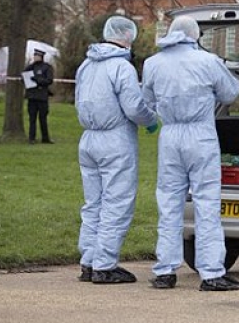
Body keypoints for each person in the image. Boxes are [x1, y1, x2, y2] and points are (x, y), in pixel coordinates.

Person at [142, 16, 239, 292]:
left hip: (170, 135)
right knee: (206, 202)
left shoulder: (153, 63)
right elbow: (231, 93)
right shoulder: (208, 61)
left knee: (168, 203)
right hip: (200, 134)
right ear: (195, 35)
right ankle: (211, 273)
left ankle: (165, 270)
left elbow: (147, 99)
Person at [74, 16, 159, 284]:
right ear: (128, 37)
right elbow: (133, 107)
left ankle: (88, 261)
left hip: (88, 139)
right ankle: (105, 264)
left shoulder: (86, 65)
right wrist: (151, 119)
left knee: (93, 203)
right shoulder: (122, 67)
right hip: (115, 139)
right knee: (117, 202)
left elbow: (79, 100)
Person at [24, 49, 54, 144]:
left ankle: (45, 138)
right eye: (34, 55)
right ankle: (31, 138)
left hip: (42, 96)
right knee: (32, 118)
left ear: (41, 57)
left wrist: (37, 80)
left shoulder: (47, 67)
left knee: (43, 118)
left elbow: (49, 80)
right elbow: (24, 76)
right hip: (32, 96)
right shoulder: (30, 67)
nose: (35, 57)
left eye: (37, 56)